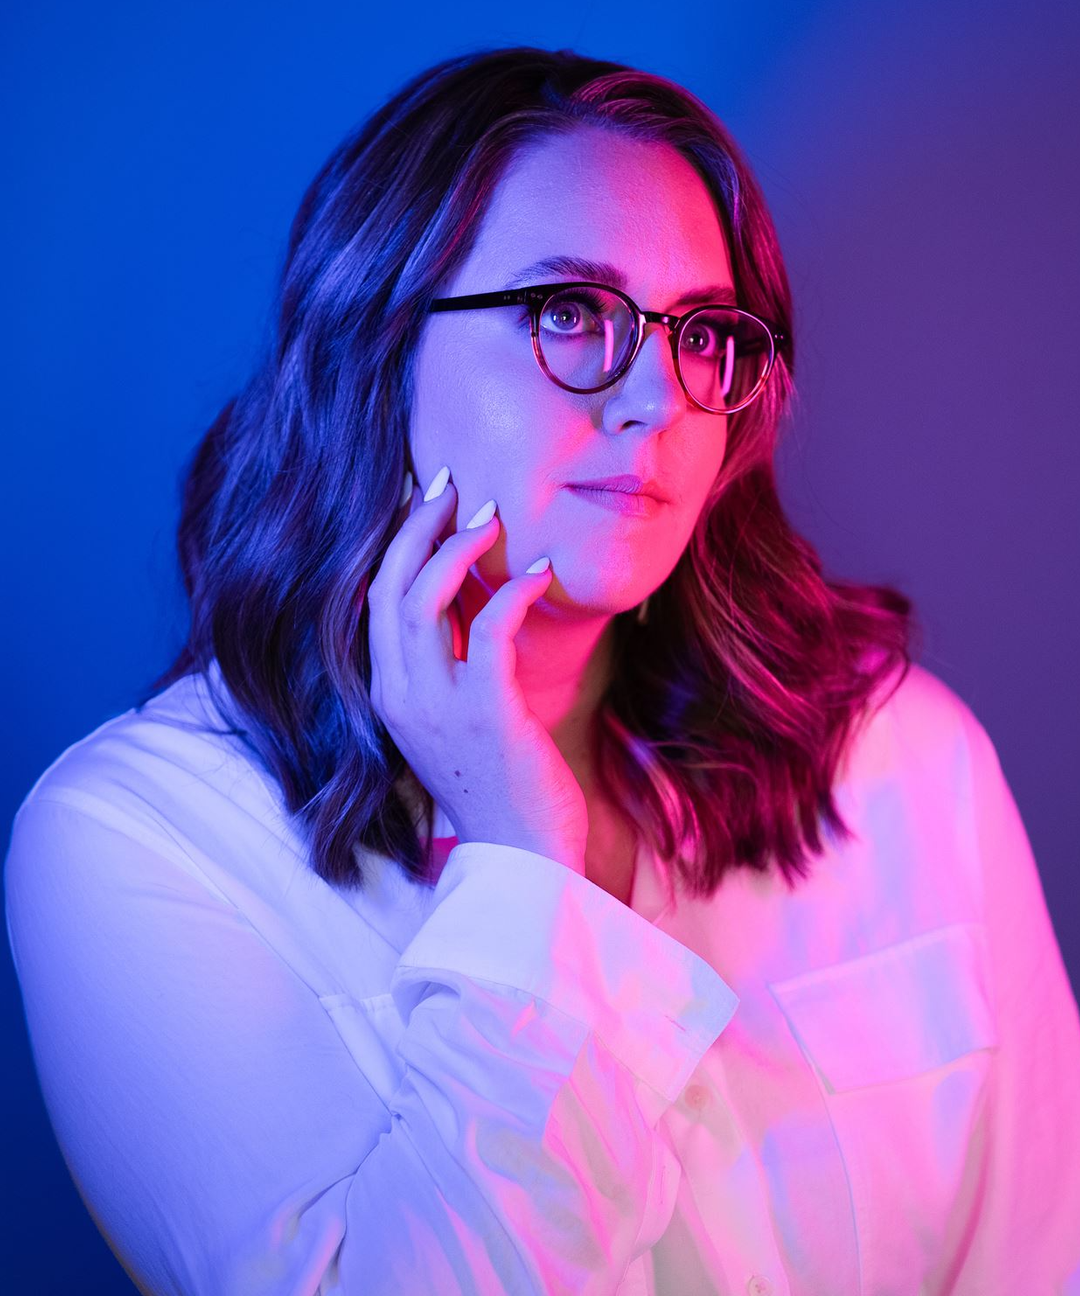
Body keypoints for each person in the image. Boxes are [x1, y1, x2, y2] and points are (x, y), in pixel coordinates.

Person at [5, 44, 1079, 1296]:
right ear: (377, 344)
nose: (656, 402)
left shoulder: (900, 756)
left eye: (703, 335)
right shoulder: (136, 843)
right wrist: (522, 857)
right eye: (569, 314)